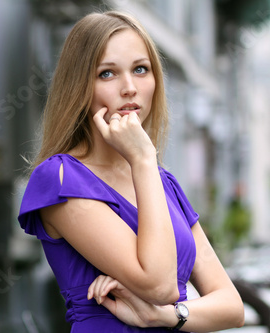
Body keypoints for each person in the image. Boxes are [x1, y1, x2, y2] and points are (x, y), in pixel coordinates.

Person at [18, 10, 244, 332]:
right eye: (107, 74)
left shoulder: (161, 181)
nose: (129, 88)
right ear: (80, 86)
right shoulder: (61, 179)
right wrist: (142, 159)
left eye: (140, 69)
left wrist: (168, 316)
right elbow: (160, 285)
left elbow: (232, 307)